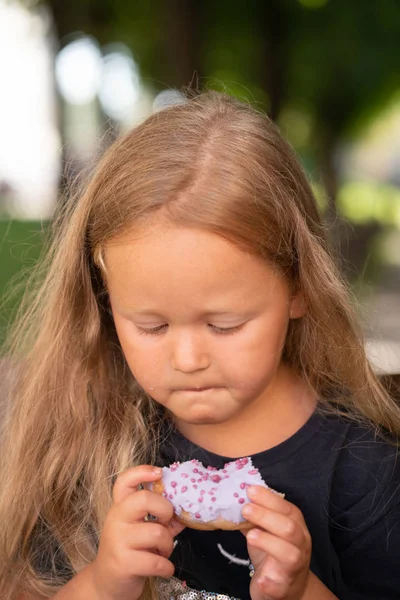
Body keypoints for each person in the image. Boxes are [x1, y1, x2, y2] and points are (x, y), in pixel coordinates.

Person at [0, 90, 399, 600]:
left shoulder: (362, 469)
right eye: (152, 326)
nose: (188, 360)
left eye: (225, 325)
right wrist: (104, 582)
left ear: (300, 287)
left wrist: (301, 591)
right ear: (104, 301)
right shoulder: (94, 437)